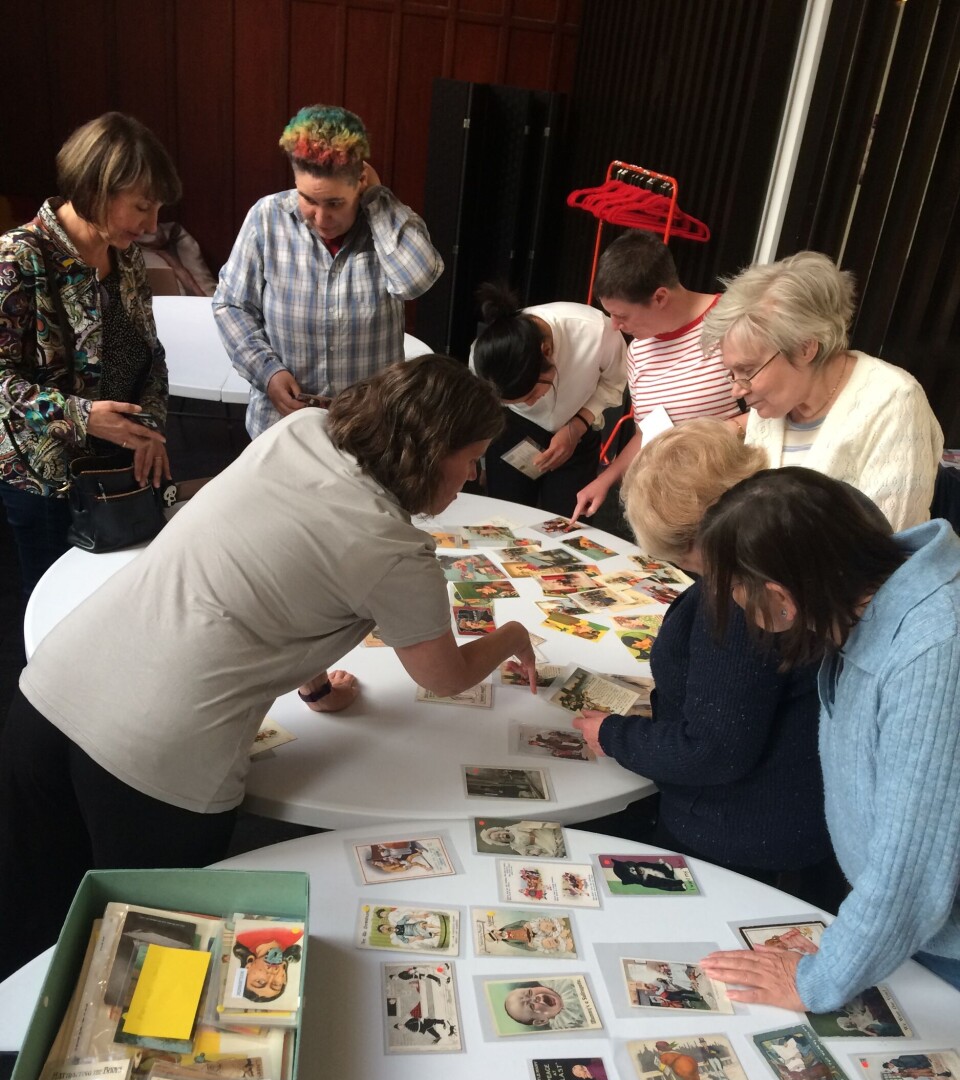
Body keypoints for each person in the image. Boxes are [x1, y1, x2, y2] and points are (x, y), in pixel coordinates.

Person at [0, 355, 537, 977]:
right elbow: (442, 677)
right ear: (429, 450)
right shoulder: (395, 551)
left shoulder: (300, 431)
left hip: (56, 683)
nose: (474, 475)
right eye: (470, 457)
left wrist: (313, 687)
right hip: (160, 754)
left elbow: (266, 567)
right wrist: (512, 635)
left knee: (25, 916)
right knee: (146, 963)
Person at [696, 468, 960, 1012]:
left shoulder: (933, 652)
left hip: (941, 945)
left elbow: (909, 872)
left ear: (780, 596)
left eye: (740, 596)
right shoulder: (872, 596)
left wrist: (819, 980)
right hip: (902, 927)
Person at [573, 420, 835, 895]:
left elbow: (714, 751)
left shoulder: (738, 601)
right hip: (792, 820)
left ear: (694, 541)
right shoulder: (790, 546)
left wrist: (611, 733)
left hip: (736, 839)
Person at [0, 112, 181, 594]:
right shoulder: (17, 259)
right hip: (46, 480)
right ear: (95, 188)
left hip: (120, 468)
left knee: (118, 601)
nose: (151, 224)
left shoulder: (126, 258)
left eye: (157, 207)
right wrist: (81, 416)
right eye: (142, 206)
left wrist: (150, 428)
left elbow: (152, 355)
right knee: (57, 610)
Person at [213, 104, 442, 439]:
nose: (321, 219)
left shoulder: (386, 223)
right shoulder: (266, 218)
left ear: (360, 182)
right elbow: (231, 306)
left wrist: (378, 199)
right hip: (281, 428)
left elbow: (416, 280)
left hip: (368, 430)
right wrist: (267, 371)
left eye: (335, 203)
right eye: (308, 199)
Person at [700, 250, 943, 531]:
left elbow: (892, 543)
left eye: (747, 370)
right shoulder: (776, 403)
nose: (736, 390)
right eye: (732, 372)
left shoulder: (894, 402)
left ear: (806, 348)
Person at [569, 229, 741, 524]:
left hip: (726, 508)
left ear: (660, 297)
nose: (614, 326)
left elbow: (773, 416)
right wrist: (606, 478)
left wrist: (699, 439)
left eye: (622, 316)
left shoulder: (734, 324)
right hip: (667, 509)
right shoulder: (638, 350)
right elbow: (647, 433)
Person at [470, 282, 627, 517]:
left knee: (568, 523)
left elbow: (615, 382)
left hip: (580, 423)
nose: (532, 403)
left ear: (546, 351)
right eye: (521, 400)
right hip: (513, 429)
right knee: (505, 517)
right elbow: (484, 411)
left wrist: (576, 427)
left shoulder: (596, 331)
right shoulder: (482, 358)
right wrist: (482, 461)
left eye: (533, 394)